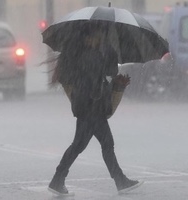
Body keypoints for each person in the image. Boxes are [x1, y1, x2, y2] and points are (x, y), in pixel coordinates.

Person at [48, 24, 143, 196]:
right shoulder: (92, 56)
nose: (99, 38)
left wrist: (107, 57)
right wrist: (109, 53)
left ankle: (58, 180)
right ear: (89, 37)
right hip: (92, 108)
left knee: (90, 145)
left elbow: (101, 77)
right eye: (98, 35)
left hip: (88, 107)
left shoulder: (82, 55)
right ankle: (119, 181)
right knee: (92, 145)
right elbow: (107, 73)